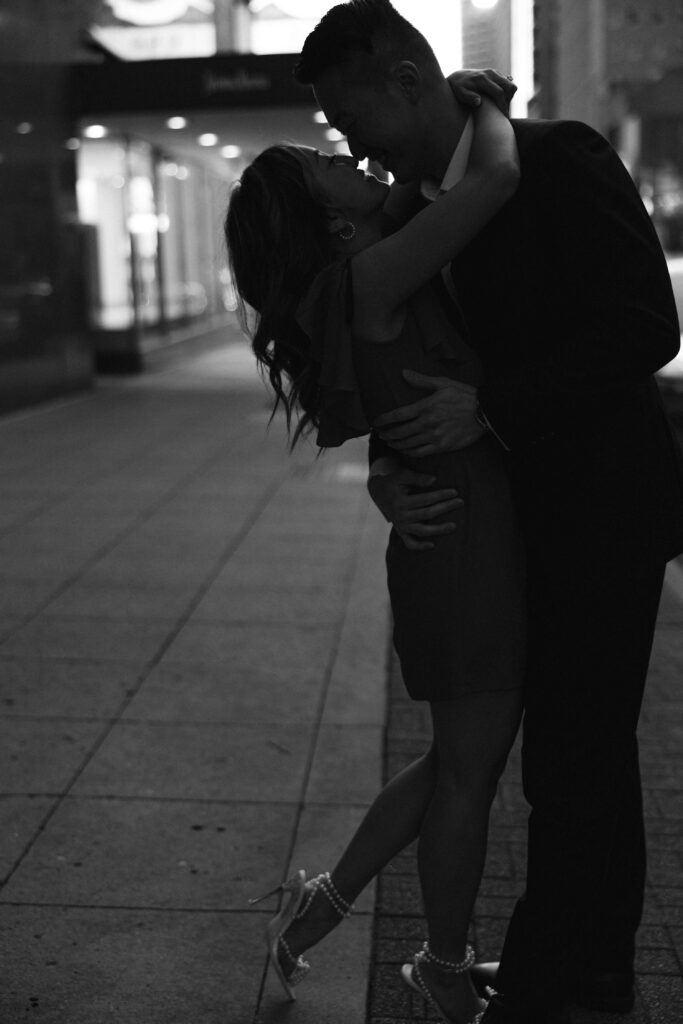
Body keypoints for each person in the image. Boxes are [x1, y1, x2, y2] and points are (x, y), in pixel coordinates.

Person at [292, 2, 683, 1023]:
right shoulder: (418, 212)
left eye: (352, 122)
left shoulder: (556, 158)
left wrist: (492, 404)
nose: (354, 148)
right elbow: (412, 358)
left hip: (601, 509)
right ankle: (575, 965)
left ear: (404, 81)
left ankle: (573, 979)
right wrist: (388, 468)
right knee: (562, 753)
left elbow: (645, 325)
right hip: (512, 522)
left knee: (578, 751)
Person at [227, 87, 525, 1024]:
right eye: (325, 165)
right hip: (462, 540)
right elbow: (493, 179)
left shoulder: (359, 268)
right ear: (330, 223)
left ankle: (324, 905)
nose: (347, 157)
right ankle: (441, 963)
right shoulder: (370, 279)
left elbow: (402, 191)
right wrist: (486, 107)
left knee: (457, 759)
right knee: (468, 772)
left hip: (457, 529)